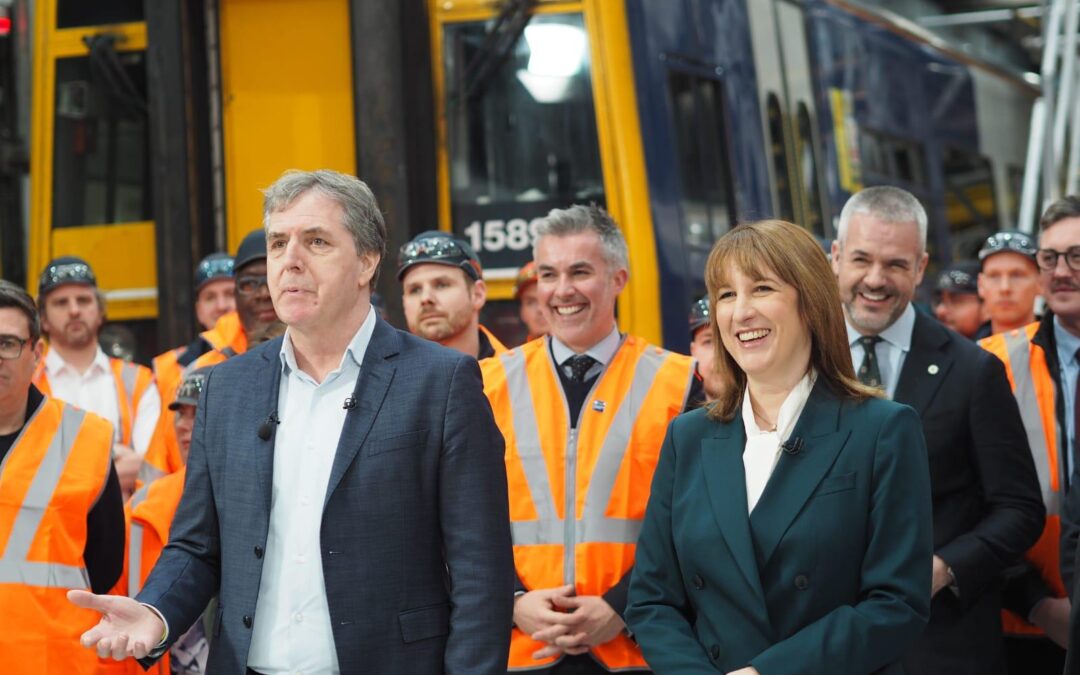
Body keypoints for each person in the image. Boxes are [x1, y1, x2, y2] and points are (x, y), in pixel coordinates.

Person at [70, 168, 514, 674]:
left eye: (317, 241)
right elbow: (197, 545)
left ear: (367, 261)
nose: (290, 261)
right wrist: (156, 613)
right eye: (278, 243)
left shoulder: (441, 382)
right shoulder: (226, 388)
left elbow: (481, 572)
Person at [625, 219, 933, 674]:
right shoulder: (687, 437)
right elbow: (652, 600)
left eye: (762, 289)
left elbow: (896, 603)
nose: (740, 312)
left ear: (811, 302)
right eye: (726, 295)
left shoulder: (883, 429)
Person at [830, 186, 1044, 675]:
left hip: (941, 647)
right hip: (823, 647)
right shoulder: (797, 362)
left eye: (895, 264)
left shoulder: (972, 371)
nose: (875, 280)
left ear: (921, 267)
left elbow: (1019, 508)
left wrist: (945, 568)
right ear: (837, 257)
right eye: (861, 259)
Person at [480, 204, 697, 673]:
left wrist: (623, 605)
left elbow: (697, 523)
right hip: (521, 651)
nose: (562, 290)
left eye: (580, 272)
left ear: (618, 279)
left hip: (637, 651)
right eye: (548, 274)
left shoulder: (680, 384)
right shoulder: (487, 385)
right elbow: (460, 521)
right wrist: (511, 599)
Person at [0, 279, 124, 674]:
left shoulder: (85, 438)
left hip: (52, 660)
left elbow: (106, 564)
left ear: (36, 353)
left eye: (7, 343)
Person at [981, 203, 1080, 675]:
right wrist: (1037, 602)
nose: (1061, 271)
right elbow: (964, 503)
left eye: (1077, 256)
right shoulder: (991, 364)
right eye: (1049, 258)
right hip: (1026, 628)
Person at [32, 257, 159, 498]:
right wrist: (114, 458)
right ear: (43, 320)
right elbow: (26, 469)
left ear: (100, 312)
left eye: (83, 300)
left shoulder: (139, 381)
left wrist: (63, 471)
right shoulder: (27, 383)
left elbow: (151, 465)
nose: (74, 310)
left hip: (124, 520)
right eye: (61, 302)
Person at [118, 368, 214, 675]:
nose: (184, 425)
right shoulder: (143, 506)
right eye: (180, 414)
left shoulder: (261, 501)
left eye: (198, 412)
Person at [398, 230, 508, 359]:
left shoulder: (518, 369)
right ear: (404, 303)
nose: (426, 298)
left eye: (441, 285)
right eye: (415, 290)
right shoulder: (382, 371)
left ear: (477, 294)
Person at [978, 231, 1041, 339]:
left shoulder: (1064, 347)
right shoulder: (964, 349)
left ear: (1041, 283)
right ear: (981, 285)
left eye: (1017, 275)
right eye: (994, 276)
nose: (1005, 288)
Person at [932, 261, 985, 339]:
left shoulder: (1001, 345)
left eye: (956, 301)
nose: (940, 310)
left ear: (986, 303)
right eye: (940, 300)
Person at [688, 295, 722, 401]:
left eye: (725, 341)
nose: (719, 354)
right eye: (708, 341)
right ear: (693, 351)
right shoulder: (678, 410)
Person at [514, 260, 549, 342]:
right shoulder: (516, 351)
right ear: (522, 313)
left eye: (547, 300)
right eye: (531, 302)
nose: (540, 309)